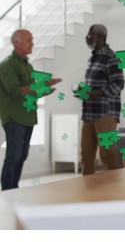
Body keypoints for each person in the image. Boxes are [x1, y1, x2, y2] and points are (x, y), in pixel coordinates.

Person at [0, 29, 61, 190]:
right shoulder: (7, 65)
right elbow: (16, 90)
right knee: (13, 156)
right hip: (14, 118)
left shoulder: (28, 65)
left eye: (32, 40)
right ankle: (7, 191)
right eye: (28, 40)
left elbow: (32, 88)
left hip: (28, 117)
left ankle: (14, 188)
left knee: (21, 156)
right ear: (16, 43)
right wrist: (41, 86)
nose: (32, 43)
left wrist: (46, 87)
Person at [79, 24, 125, 175]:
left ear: (100, 37)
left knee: (108, 155)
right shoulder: (92, 58)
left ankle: (111, 192)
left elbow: (118, 84)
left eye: (90, 35)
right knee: (86, 155)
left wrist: (95, 94)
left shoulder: (111, 58)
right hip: (89, 114)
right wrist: (84, 92)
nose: (87, 37)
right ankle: (88, 191)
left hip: (106, 114)